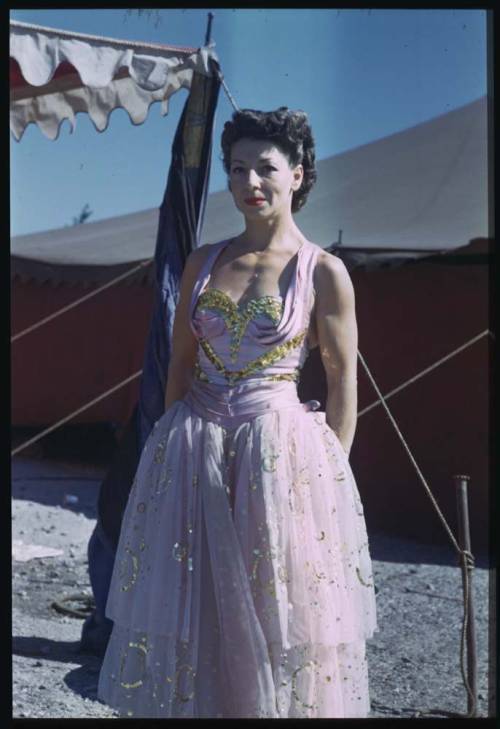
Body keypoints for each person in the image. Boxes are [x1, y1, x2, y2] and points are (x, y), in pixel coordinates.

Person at [97, 107, 378, 718]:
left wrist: (327, 478)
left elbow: (340, 379)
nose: (250, 182)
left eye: (266, 169)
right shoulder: (202, 262)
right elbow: (179, 364)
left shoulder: (323, 273)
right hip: (194, 444)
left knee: (274, 604)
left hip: (279, 455)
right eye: (237, 169)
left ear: (298, 175)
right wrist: (171, 446)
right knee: (195, 599)